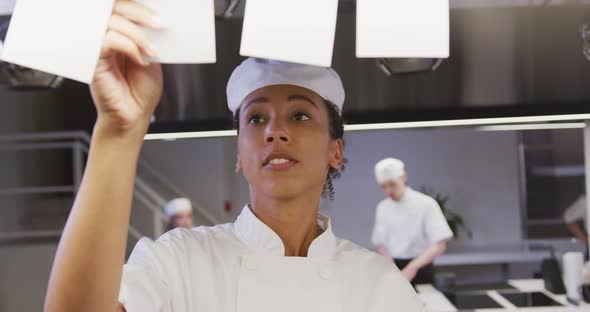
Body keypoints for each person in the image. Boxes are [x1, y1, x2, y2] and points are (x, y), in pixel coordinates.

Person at [43, 1, 424, 311]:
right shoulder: (180, 262)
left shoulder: (378, 285)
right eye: (256, 118)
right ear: (239, 154)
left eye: (300, 115)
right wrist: (119, 132)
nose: (275, 130)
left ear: (335, 151)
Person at [371, 158, 453, 286]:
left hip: (421, 268)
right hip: (394, 269)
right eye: (383, 187)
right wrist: (392, 268)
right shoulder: (382, 208)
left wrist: (412, 267)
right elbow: (381, 244)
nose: (388, 191)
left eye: (392, 184)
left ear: (403, 177)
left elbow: (440, 244)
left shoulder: (426, 204)